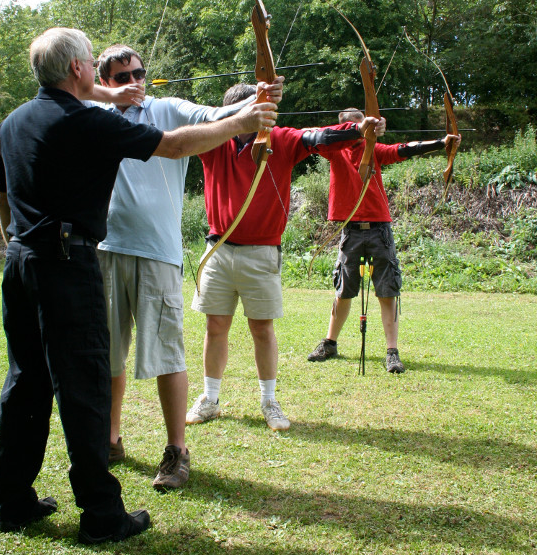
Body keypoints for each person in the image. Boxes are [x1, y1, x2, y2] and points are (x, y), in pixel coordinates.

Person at [0, 28, 277, 543]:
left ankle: (12, 501)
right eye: (99, 70)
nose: (129, 85)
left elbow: (2, 204)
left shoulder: (14, 122)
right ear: (81, 69)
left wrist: (20, 245)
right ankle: (102, 515)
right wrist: (246, 119)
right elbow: (173, 146)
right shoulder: (85, 123)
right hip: (68, 261)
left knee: (25, 381)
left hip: (20, 262)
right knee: (83, 386)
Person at [87, 44, 284, 491]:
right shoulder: (93, 114)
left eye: (138, 73)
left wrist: (262, 98)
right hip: (106, 247)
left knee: (167, 355)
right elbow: (72, 94)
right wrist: (108, 98)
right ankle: (110, 439)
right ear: (104, 82)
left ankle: (177, 450)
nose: (133, 82)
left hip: (157, 251)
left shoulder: (168, 109)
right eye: (120, 77)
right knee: (108, 353)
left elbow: (216, 114)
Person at [186, 85, 383, 430]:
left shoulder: (281, 138)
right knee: (215, 326)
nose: (248, 117)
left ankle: (269, 400)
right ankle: (210, 399)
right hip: (218, 249)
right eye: (240, 111)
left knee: (262, 329)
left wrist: (358, 129)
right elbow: (182, 136)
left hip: (261, 251)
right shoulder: (214, 140)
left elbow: (318, 137)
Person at [307, 108, 461, 372]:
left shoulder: (375, 150)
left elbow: (403, 149)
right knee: (343, 289)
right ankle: (330, 343)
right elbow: (321, 137)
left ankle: (392, 352)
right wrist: (358, 128)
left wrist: (440, 143)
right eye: (359, 127)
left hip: (379, 229)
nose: (366, 132)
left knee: (387, 290)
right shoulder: (334, 151)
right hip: (351, 229)